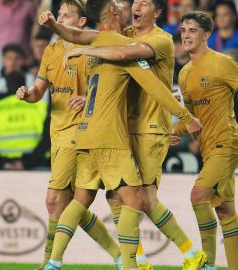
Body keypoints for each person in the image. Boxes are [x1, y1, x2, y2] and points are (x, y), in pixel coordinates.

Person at [37, 1, 203, 269]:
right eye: (123, 4)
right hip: (113, 135)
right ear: (114, 12)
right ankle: (139, 263)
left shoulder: (106, 43)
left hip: (88, 132)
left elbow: (78, 37)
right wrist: (186, 117)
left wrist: (57, 28)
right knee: (138, 199)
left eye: (141, 2)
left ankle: (53, 262)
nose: (131, 6)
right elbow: (156, 86)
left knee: (87, 199)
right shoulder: (121, 48)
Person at [16, 1, 123, 269]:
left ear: (81, 22)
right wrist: (28, 94)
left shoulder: (95, 50)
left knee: (54, 201)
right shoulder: (52, 50)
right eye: (59, 14)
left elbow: (107, 90)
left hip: (82, 132)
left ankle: (49, 263)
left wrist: (86, 98)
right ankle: (119, 256)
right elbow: (40, 90)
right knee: (69, 205)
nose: (61, 18)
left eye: (67, 15)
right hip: (58, 132)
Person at [172, 11, 238, 270]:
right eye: (183, 30)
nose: (186, 35)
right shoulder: (184, 73)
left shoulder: (223, 63)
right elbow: (195, 116)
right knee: (226, 213)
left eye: (192, 30)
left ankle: (206, 263)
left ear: (207, 35)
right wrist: (178, 131)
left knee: (198, 196)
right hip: (209, 148)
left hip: (228, 143)